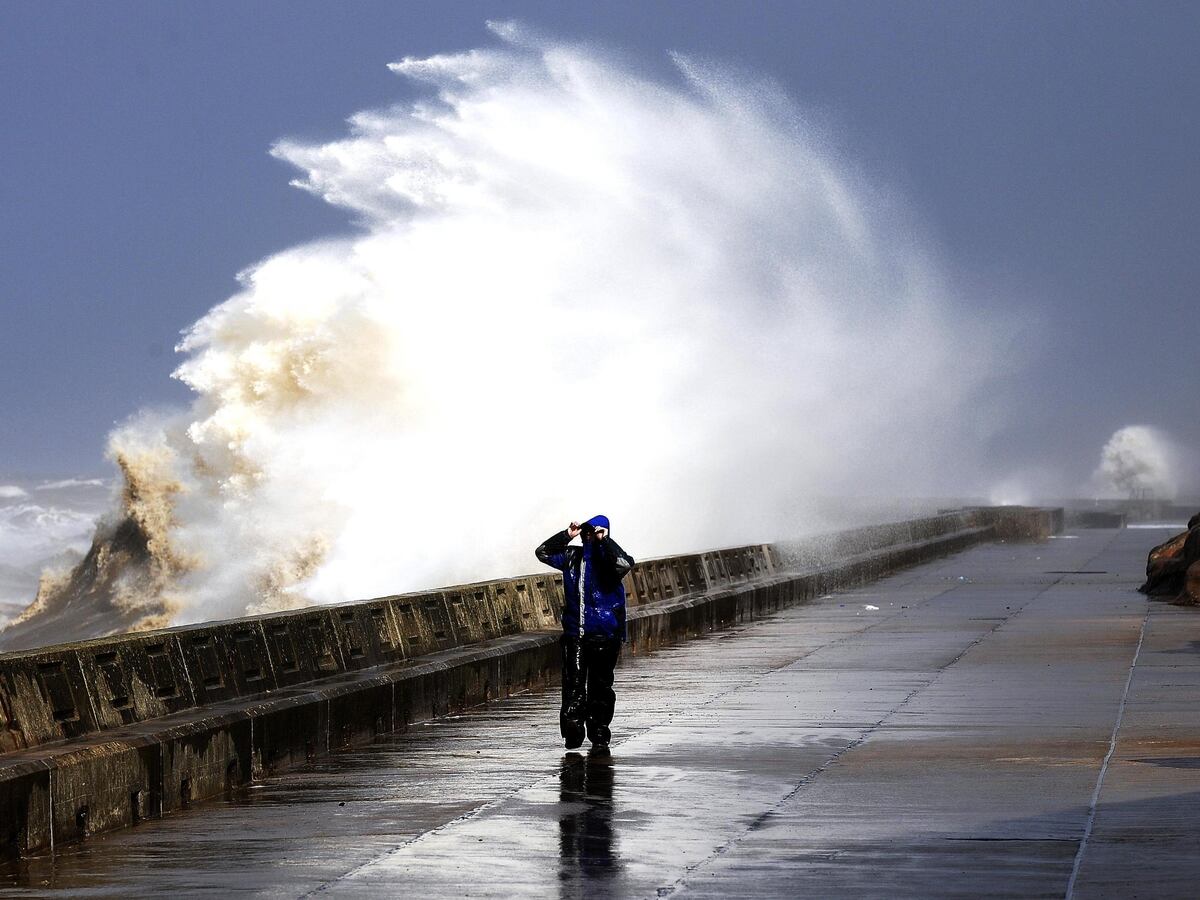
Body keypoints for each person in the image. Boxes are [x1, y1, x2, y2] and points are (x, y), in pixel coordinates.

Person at [536, 515, 635, 752]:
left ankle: (599, 733)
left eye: (594, 532)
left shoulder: (611, 561)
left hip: (606, 635)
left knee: (600, 688)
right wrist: (566, 535)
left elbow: (624, 564)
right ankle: (573, 731)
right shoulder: (572, 557)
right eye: (586, 532)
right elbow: (543, 553)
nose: (588, 536)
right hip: (576, 635)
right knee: (574, 686)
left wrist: (605, 540)